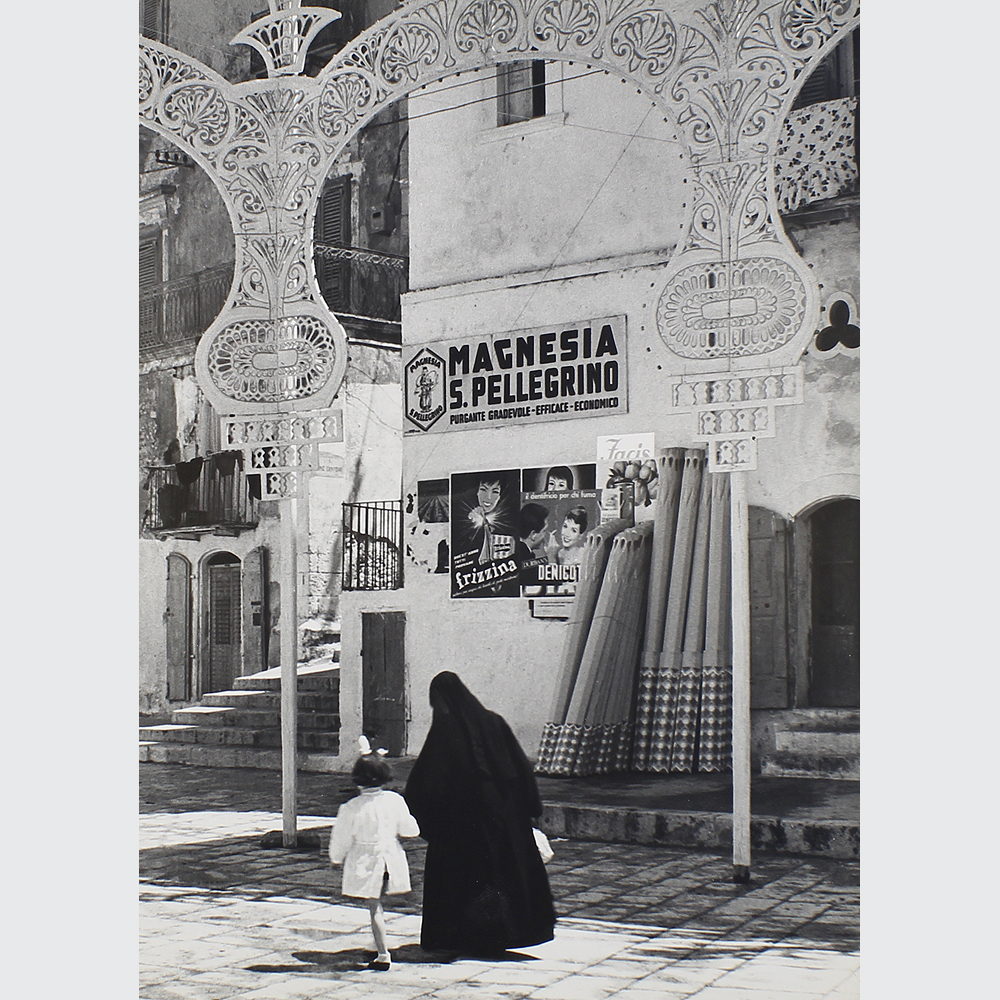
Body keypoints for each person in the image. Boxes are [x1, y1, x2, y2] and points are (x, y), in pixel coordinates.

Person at [404, 672, 556, 956]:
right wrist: (530, 809)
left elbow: (425, 784)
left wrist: (429, 823)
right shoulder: (494, 722)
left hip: (463, 828)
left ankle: (468, 938)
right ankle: (503, 936)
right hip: (505, 823)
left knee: (467, 882)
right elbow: (521, 768)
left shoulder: (445, 730)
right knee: (502, 877)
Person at [328, 748, 420, 971]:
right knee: (380, 903)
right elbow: (410, 830)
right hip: (391, 859)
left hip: (368, 861)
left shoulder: (351, 807)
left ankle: (383, 954)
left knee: (374, 905)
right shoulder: (395, 800)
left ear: (357, 779)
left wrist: (336, 858)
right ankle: (378, 941)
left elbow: (341, 838)